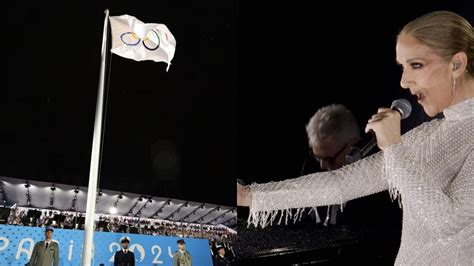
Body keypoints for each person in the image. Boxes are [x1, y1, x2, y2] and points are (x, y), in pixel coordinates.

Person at [238, 11, 473, 265]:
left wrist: (393, 147)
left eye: (416, 65)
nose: (404, 82)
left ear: (457, 64)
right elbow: (342, 183)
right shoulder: (428, 135)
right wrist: (249, 195)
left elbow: (447, 222)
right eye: (402, 68)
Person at [304, 104, 360, 225]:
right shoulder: (310, 167)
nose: (322, 166)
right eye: (317, 157)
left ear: (352, 147)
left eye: (330, 159)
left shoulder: (373, 180)